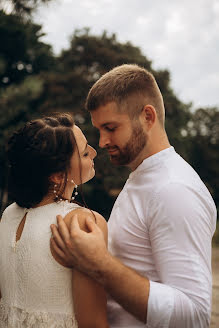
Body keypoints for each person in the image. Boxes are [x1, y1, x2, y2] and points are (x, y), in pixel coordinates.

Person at [50, 64, 217, 328]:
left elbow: (194, 315)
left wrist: (100, 264)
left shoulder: (174, 189)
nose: (102, 141)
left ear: (147, 117)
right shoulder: (143, 178)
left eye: (110, 127)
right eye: (99, 129)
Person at [0, 113, 109, 327]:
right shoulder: (80, 222)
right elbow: (93, 322)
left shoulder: (8, 215)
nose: (95, 153)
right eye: (85, 153)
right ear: (58, 175)